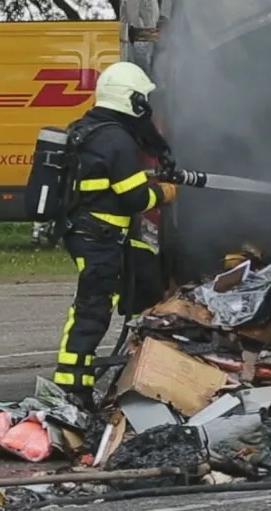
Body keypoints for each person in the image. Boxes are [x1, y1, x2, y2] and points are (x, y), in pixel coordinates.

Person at [54, 61, 178, 400]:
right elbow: (134, 197)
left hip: (87, 232)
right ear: (131, 100)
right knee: (93, 308)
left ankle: (76, 382)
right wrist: (165, 192)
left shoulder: (88, 129)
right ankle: (72, 388)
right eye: (142, 99)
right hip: (99, 237)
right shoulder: (117, 139)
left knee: (94, 306)